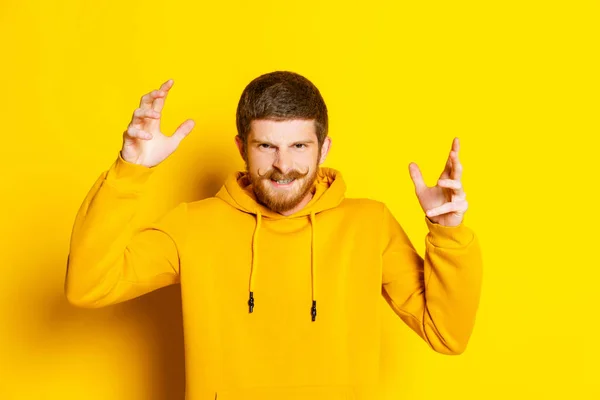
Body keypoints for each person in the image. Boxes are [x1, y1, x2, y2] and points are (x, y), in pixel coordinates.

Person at [65, 71, 483, 400]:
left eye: (299, 147)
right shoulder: (194, 225)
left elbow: (447, 334)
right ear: (241, 147)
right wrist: (129, 171)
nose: (284, 165)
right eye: (266, 147)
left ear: (324, 148)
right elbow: (88, 286)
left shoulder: (370, 224)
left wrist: (447, 233)